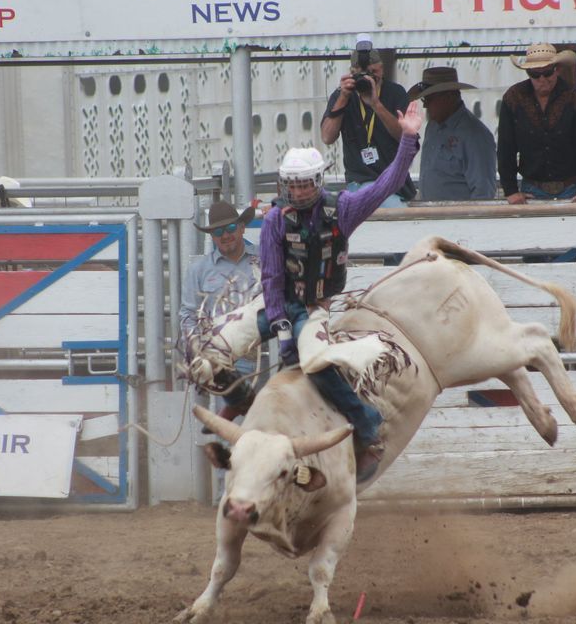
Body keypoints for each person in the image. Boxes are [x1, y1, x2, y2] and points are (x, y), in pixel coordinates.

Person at [258, 100, 422, 482]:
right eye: (292, 184)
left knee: (313, 362)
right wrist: (279, 322)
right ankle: (238, 410)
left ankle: (366, 422)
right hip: (282, 304)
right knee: (229, 341)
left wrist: (408, 140)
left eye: (304, 184)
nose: (297, 192)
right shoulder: (273, 221)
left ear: (317, 182)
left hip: (316, 305)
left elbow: (387, 184)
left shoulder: (343, 209)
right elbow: (270, 277)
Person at [179, 201, 261, 427]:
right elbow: (188, 313)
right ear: (212, 236)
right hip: (226, 360)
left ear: (242, 228)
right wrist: (195, 345)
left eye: (231, 229)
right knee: (231, 437)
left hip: (266, 355)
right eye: (218, 231)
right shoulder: (199, 270)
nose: (225, 235)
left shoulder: (264, 258)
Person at [497, 43, 576, 203]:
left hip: (572, 188)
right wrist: (510, 190)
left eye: (547, 73)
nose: (542, 79)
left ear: (557, 69)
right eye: (535, 74)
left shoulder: (573, 98)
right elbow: (506, 147)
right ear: (528, 73)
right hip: (531, 189)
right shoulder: (513, 98)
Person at [321, 34, 416, 206]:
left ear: (382, 69)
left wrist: (376, 104)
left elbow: (406, 137)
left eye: (374, 73)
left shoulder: (395, 93)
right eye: (362, 74)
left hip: (392, 185)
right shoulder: (343, 96)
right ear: (352, 73)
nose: (369, 78)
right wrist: (343, 97)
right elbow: (327, 137)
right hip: (358, 184)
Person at [408, 66, 497, 200]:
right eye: (424, 100)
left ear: (449, 96)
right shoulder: (432, 126)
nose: (425, 105)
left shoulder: (476, 135)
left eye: (429, 99)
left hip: (458, 218)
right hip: (430, 215)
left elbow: (483, 191)